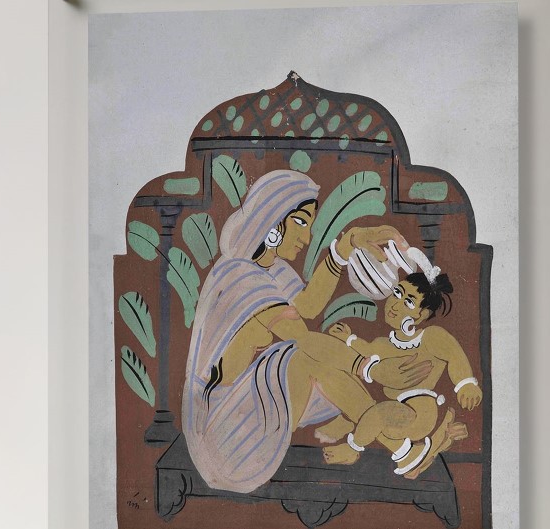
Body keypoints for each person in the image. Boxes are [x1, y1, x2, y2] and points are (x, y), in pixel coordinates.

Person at [181, 169, 428, 494]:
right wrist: (370, 369)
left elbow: (308, 306)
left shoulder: (270, 269)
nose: (307, 236)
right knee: (304, 357)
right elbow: (303, 337)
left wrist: (346, 246)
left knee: (322, 356)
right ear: (272, 221)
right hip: (220, 435)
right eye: (300, 222)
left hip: (243, 423)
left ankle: (401, 450)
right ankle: (396, 446)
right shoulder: (238, 274)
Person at [322, 260, 478, 478]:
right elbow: (367, 350)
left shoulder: (430, 337)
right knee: (367, 405)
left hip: (418, 415)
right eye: (397, 293)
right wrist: (348, 338)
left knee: (378, 413)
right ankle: (415, 452)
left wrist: (466, 384)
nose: (395, 304)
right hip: (395, 416)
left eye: (409, 302)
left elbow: (454, 355)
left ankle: (352, 449)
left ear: (421, 315)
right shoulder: (384, 344)